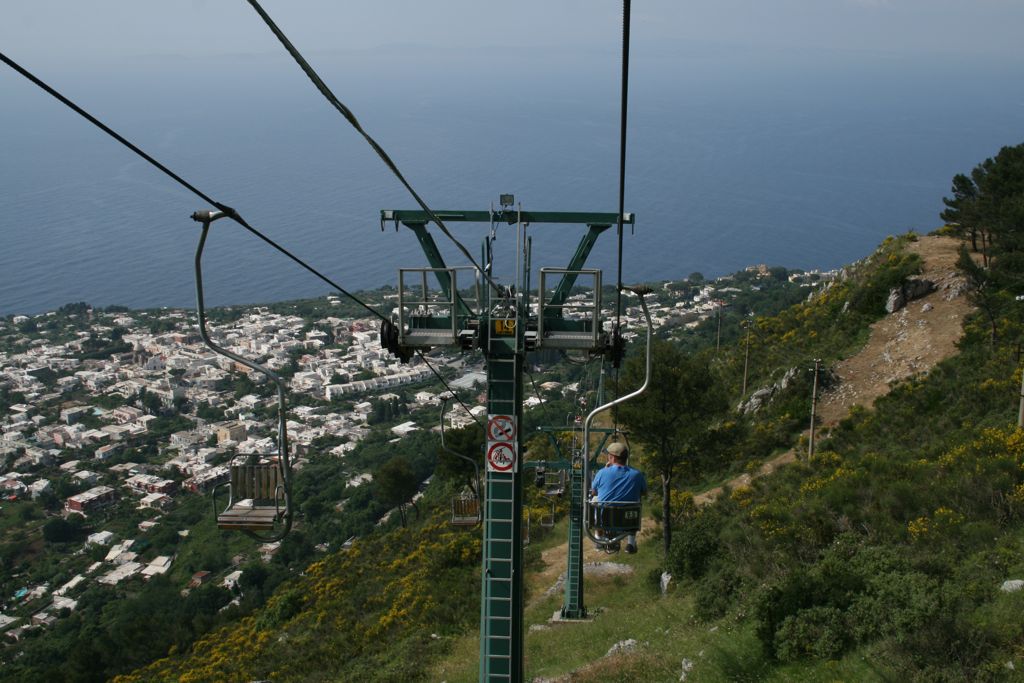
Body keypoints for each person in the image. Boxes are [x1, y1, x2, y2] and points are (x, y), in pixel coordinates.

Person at [590, 442, 646, 553]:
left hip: (605, 520)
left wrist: (606, 471)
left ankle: (598, 538)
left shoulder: (601, 473)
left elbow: (594, 492)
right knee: (635, 502)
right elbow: (643, 492)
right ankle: (631, 542)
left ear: (612, 457)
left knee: (595, 500)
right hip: (627, 521)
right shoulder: (637, 475)